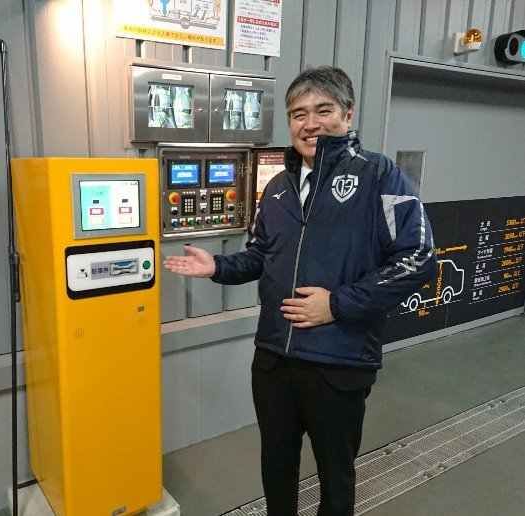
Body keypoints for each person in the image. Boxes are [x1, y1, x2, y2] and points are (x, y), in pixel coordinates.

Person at [163, 66, 436, 516]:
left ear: (347, 115)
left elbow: (418, 258)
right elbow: (260, 255)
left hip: (339, 361)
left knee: (335, 475)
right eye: (298, 114)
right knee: (277, 465)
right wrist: (218, 266)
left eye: (323, 110)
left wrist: (337, 305)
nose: (310, 124)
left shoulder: (380, 176)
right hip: (274, 360)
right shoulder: (277, 187)